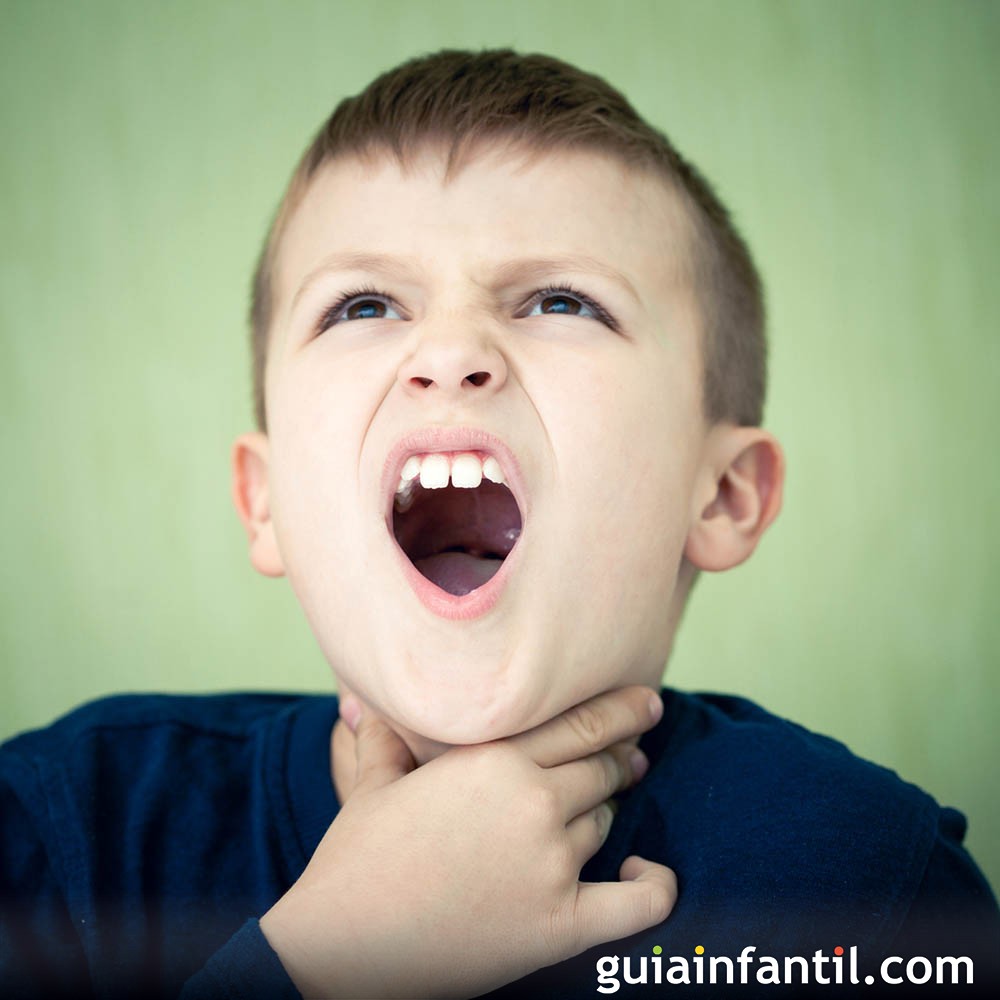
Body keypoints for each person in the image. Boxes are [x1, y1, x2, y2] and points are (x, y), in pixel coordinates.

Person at [1, 49, 997, 999]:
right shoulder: (67, 832)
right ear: (266, 502)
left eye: (561, 301)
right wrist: (322, 971)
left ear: (724, 495)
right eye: (363, 306)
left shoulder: (866, 889)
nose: (450, 352)